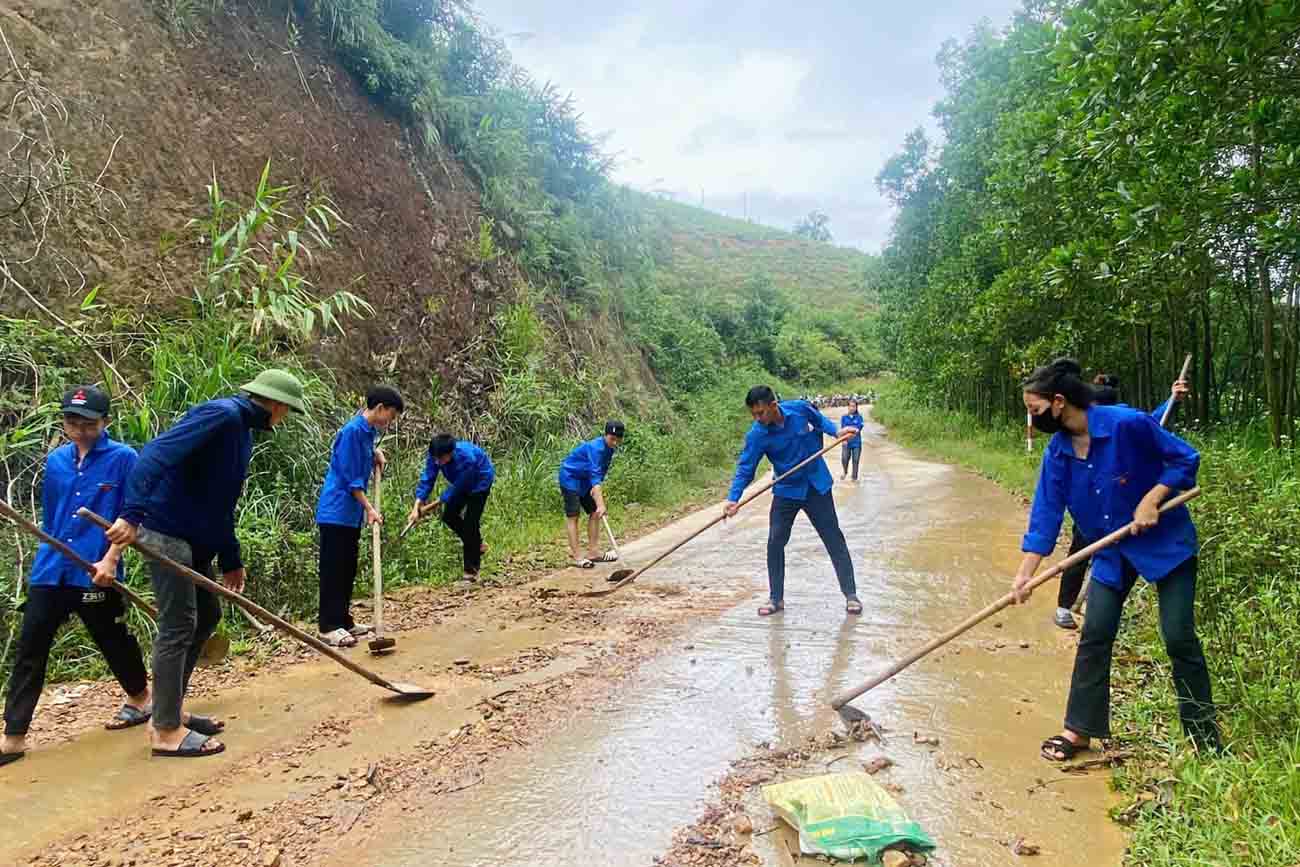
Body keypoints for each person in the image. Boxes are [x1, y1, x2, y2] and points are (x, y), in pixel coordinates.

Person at [1012, 358, 1219, 760]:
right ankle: (1079, 731)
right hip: (1111, 548)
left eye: (1035, 410)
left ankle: (1204, 739)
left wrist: (1151, 498)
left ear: (1058, 402)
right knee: (1096, 634)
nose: (1033, 420)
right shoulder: (1058, 452)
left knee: (1178, 636)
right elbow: (1046, 514)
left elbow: (1185, 459)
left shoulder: (1126, 424)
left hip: (1166, 544)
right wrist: (1024, 575)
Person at [106, 369, 306, 758]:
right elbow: (153, 455)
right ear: (277, 405)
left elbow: (221, 502)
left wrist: (231, 558)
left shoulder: (241, 433)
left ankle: (170, 708)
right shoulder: (222, 416)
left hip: (195, 541)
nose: (284, 418)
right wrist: (131, 515)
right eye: (287, 411)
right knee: (178, 625)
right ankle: (164, 730)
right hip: (167, 532)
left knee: (207, 615)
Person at [1, 387, 152, 769]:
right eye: (72, 422)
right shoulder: (56, 461)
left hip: (95, 568)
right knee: (31, 645)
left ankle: (140, 697)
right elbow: (55, 516)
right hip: (52, 567)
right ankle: (13, 736)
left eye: (88, 423)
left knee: (110, 637)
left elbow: (131, 515)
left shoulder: (123, 459)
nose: (79, 430)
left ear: (106, 423)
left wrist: (111, 560)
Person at [1053, 373, 1192, 630]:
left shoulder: (1124, 425)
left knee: (1105, 562)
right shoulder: (1073, 436)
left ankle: (1096, 607)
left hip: (1120, 511)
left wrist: (1172, 399)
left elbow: (1152, 423)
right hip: (1092, 512)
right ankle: (1065, 605)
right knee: (1079, 552)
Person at [723, 386, 862, 617]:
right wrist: (733, 499)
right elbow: (746, 468)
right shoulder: (757, 434)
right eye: (754, 415)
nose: (757, 419)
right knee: (775, 542)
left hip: (816, 485)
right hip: (786, 491)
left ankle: (851, 595)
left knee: (833, 538)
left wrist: (837, 432)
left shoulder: (799, 410)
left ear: (773, 406)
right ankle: (776, 598)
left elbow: (820, 421)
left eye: (761, 413)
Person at [314, 386, 402, 647]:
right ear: (380, 409)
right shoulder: (352, 432)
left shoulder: (367, 434)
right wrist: (370, 509)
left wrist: (374, 453)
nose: (391, 421)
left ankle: (343, 620)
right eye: (392, 415)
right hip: (337, 511)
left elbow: (361, 458)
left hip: (349, 514)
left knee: (347, 568)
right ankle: (328, 626)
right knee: (334, 570)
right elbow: (351, 479)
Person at [409, 434, 496, 582]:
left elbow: (457, 488)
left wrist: (430, 507)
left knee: (470, 524)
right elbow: (428, 478)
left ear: (451, 453)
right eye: (435, 458)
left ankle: (471, 573)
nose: (438, 462)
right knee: (449, 516)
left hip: (480, 482)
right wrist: (417, 505)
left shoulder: (467, 459)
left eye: (441, 459)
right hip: (460, 483)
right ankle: (476, 544)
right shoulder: (436, 456)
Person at [558, 421, 624, 569]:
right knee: (573, 516)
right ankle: (578, 557)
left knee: (594, 513)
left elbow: (598, 475)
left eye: (617, 439)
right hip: (570, 478)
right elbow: (595, 476)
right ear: (605, 435)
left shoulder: (610, 449)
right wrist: (601, 503)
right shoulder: (596, 448)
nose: (614, 442)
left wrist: (597, 495)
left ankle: (593, 552)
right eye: (611, 438)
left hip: (586, 481)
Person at [839, 399, 865, 481]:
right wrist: (843, 440)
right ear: (848, 407)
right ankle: (845, 471)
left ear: (856, 407)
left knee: (856, 460)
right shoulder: (844, 417)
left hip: (856, 443)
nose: (852, 408)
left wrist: (849, 429)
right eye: (850, 406)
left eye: (854, 406)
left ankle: (854, 478)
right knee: (844, 458)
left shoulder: (859, 417)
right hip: (846, 442)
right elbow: (843, 429)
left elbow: (858, 429)